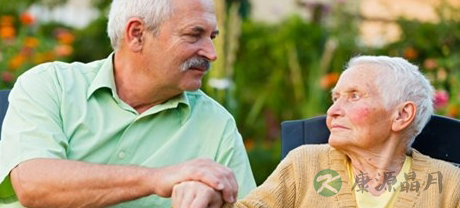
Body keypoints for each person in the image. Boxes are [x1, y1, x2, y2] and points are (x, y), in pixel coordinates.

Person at [0, 0, 256, 208]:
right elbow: (33, 185)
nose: (211, 53)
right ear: (137, 34)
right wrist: (158, 179)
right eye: (194, 34)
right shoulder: (50, 85)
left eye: (212, 37)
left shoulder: (217, 125)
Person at [172, 55, 460, 208]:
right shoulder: (305, 165)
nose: (333, 111)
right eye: (335, 98)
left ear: (401, 115)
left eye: (355, 96)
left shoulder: (449, 185)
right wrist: (209, 198)